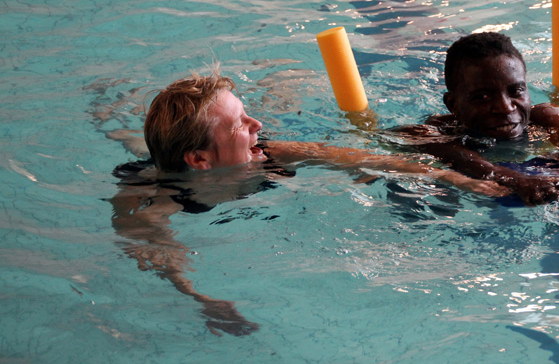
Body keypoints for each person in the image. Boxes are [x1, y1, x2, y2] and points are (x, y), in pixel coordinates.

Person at [110, 68, 505, 336]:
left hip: (217, 167)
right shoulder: (153, 199)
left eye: (248, 114)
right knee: (128, 140)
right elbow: (155, 249)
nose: (257, 126)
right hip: (172, 172)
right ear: (200, 160)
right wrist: (201, 299)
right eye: (240, 125)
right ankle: (110, 115)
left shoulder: (272, 152)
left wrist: (450, 178)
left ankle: (281, 78)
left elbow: (365, 159)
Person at [389, 32, 559, 206]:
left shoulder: (545, 117)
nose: (505, 107)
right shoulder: (430, 134)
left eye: (516, 90)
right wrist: (518, 180)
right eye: (483, 97)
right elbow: (469, 162)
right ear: (453, 104)